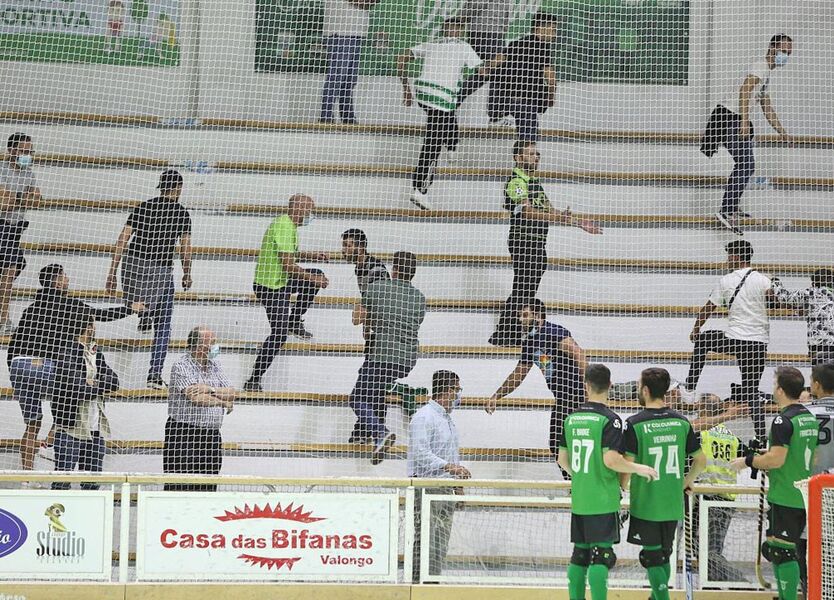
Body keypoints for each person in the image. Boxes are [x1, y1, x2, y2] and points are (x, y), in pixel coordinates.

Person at [9, 264, 143, 474]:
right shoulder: (69, 304)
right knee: (72, 392)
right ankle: (53, 439)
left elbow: (15, 343)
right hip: (45, 364)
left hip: (18, 364)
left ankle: (26, 477)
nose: (68, 279)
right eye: (64, 276)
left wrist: (14, 373)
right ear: (57, 281)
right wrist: (130, 309)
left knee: (32, 424)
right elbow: (99, 315)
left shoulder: (31, 307)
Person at [557, 364, 659, 600]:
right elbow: (612, 460)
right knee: (602, 555)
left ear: (586, 386)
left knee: (580, 554)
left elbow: (562, 459)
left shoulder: (571, 418)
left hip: (580, 498)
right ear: (610, 386)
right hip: (602, 499)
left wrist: (584, 475)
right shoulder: (610, 420)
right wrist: (638, 467)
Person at [490, 141, 601, 346]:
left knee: (528, 289)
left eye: (537, 153)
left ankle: (511, 331)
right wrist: (556, 218)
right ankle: (505, 333)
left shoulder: (535, 183)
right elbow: (527, 212)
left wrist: (578, 223)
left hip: (538, 243)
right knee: (523, 288)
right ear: (518, 158)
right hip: (523, 241)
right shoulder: (517, 181)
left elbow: (551, 211)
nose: (536, 157)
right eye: (530, 153)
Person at [731, 367, 819, 600]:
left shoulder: (783, 420)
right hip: (803, 492)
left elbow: (776, 460)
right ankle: (784, 594)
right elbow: (809, 455)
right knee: (777, 549)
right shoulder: (808, 417)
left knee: (782, 551)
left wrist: (748, 461)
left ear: (780, 390)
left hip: (786, 493)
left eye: (774, 385)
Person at [620, 368, 706, 600]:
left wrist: (621, 490)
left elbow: (627, 466)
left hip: (647, 502)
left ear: (645, 390)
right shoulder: (681, 422)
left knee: (652, 557)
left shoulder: (634, 424)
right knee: (663, 556)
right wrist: (685, 482)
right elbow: (701, 460)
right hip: (672, 502)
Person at [106, 169, 193, 390]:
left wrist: (112, 272)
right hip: (160, 270)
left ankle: (145, 313)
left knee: (139, 302)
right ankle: (154, 374)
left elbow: (122, 239)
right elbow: (185, 248)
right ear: (179, 188)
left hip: (133, 264)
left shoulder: (143, 207)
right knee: (164, 324)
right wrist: (187, 272)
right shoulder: (181, 213)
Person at [680, 240, 776, 441]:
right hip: (758, 343)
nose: (727, 259)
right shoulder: (764, 280)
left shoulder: (727, 280)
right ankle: (761, 439)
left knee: (704, 339)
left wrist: (695, 329)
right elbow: (773, 304)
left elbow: (708, 308)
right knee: (751, 392)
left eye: (729, 255)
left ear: (735, 257)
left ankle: (690, 386)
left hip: (735, 340)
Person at [399, 17, 494, 211]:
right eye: (456, 28)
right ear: (458, 31)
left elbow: (401, 57)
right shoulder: (463, 46)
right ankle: (420, 190)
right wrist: (499, 61)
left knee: (448, 116)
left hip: (423, 94)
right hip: (441, 97)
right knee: (432, 143)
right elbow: (483, 72)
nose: (456, 31)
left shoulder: (432, 44)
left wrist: (406, 89)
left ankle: (452, 145)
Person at [700, 34, 793, 233]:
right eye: (783, 51)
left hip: (736, 118)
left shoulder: (766, 73)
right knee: (746, 164)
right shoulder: (761, 66)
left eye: (788, 53)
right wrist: (744, 120)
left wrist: (782, 132)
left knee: (746, 165)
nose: (785, 55)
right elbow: (744, 91)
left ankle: (731, 207)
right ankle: (726, 211)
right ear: (772, 48)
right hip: (729, 118)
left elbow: (766, 106)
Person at [486, 298, 587, 477]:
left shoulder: (553, 331)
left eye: (525, 315)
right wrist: (497, 396)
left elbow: (578, 354)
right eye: (520, 316)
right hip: (562, 398)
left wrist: (588, 391)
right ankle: (574, 481)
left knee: (573, 443)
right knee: (557, 444)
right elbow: (518, 374)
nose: (521, 320)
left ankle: (581, 482)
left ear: (538, 316)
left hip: (576, 396)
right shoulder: (530, 342)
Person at [244, 194, 329, 392]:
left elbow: (289, 254)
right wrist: (313, 279)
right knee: (279, 334)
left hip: (280, 282)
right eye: (310, 210)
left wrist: (312, 256)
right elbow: (288, 264)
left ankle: (294, 320)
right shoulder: (284, 226)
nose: (311, 214)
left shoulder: (289, 227)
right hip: (270, 287)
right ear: (298, 209)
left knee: (315, 274)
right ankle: (253, 379)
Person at [350, 251, 425, 463]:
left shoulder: (375, 289)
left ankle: (380, 432)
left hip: (382, 354)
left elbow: (358, 320)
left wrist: (363, 300)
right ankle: (374, 437)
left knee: (357, 399)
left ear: (394, 269)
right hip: (407, 359)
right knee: (375, 393)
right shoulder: (420, 298)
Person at [408, 370, 470, 581]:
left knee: (441, 540)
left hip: (445, 488)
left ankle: (433, 582)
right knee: (425, 538)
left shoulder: (447, 420)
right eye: (458, 389)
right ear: (449, 390)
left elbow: (451, 453)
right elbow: (420, 453)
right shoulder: (423, 417)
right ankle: (418, 584)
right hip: (427, 486)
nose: (459, 394)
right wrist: (450, 468)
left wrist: (458, 484)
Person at [164, 326, 236, 492]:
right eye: (213, 342)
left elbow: (232, 393)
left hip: (211, 435)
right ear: (201, 347)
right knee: (179, 484)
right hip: (184, 434)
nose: (216, 346)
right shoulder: (181, 366)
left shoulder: (215, 365)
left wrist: (209, 389)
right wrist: (222, 402)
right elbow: (195, 398)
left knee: (208, 485)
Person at [50, 318, 120, 491]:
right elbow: (77, 388)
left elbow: (115, 382)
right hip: (70, 429)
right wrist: (96, 384)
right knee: (62, 482)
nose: (94, 328)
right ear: (87, 328)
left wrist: (93, 382)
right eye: (92, 325)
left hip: (95, 431)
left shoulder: (97, 353)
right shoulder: (66, 352)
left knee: (92, 484)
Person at [341, 228, 389, 442]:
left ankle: (374, 431)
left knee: (371, 386)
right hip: (376, 333)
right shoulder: (360, 268)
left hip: (385, 335)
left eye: (348, 245)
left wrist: (363, 316)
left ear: (361, 247)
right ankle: (368, 431)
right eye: (344, 245)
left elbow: (381, 301)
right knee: (374, 384)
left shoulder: (375, 268)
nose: (344, 249)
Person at [491, 11, 558, 142]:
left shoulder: (516, 43)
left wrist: (484, 69)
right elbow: (551, 80)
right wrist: (550, 97)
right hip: (526, 104)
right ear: (541, 27)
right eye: (553, 29)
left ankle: (500, 116)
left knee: (524, 141)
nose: (555, 34)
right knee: (529, 143)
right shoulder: (542, 48)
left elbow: (495, 62)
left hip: (508, 101)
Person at [796, 362, 834, 595]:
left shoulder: (803, 414)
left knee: (808, 549)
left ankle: (810, 592)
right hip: (832, 492)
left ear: (817, 385)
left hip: (808, 493)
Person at [0, 132, 41, 334]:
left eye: (29, 151)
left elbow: (37, 200)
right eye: (24, 151)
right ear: (11, 150)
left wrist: (14, 197)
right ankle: (3, 319)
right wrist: (22, 197)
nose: (28, 155)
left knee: (16, 266)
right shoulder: (1, 171)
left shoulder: (28, 173)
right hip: (2, 226)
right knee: (10, 269)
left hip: (16, 229)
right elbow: (3, 204)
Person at [319, 0, 380, 124]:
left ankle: (348, 117)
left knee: (349, 80)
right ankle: (326, 117)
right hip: (340, 31)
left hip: (357, 32)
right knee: (336, 76)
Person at [457, 0, 512, 124]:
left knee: (485, 74)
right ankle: (495, 115)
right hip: (482, 33)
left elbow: (506, 13)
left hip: (497, 34)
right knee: (498, 71)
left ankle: (453, 102)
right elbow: (469, 10)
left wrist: (503, 30)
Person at [771, 268, 834, 365]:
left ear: (813, 283)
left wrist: (774, 281)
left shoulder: (811, 293)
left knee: (821, 377)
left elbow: (784, 298)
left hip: (818, 344)